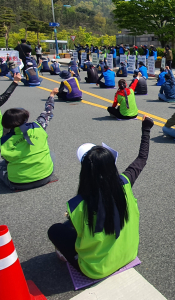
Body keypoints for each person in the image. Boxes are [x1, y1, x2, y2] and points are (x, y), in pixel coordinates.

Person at [47, 118, 153, 277]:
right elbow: (141, 159)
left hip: (95, 270)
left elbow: (79, 231)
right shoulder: (125, 183)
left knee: (56, 230)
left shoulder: (78, 204)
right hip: (128, 254)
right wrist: (146, 130)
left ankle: (70, 258)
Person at [0, 88, 59, 191]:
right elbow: (48, 111)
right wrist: (52, 95)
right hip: (45, 177)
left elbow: (6, 159)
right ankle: (43, 173)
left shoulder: (4, 140)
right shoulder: (38, 126)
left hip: (19, 183)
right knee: (51, 154)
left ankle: (16, 181)